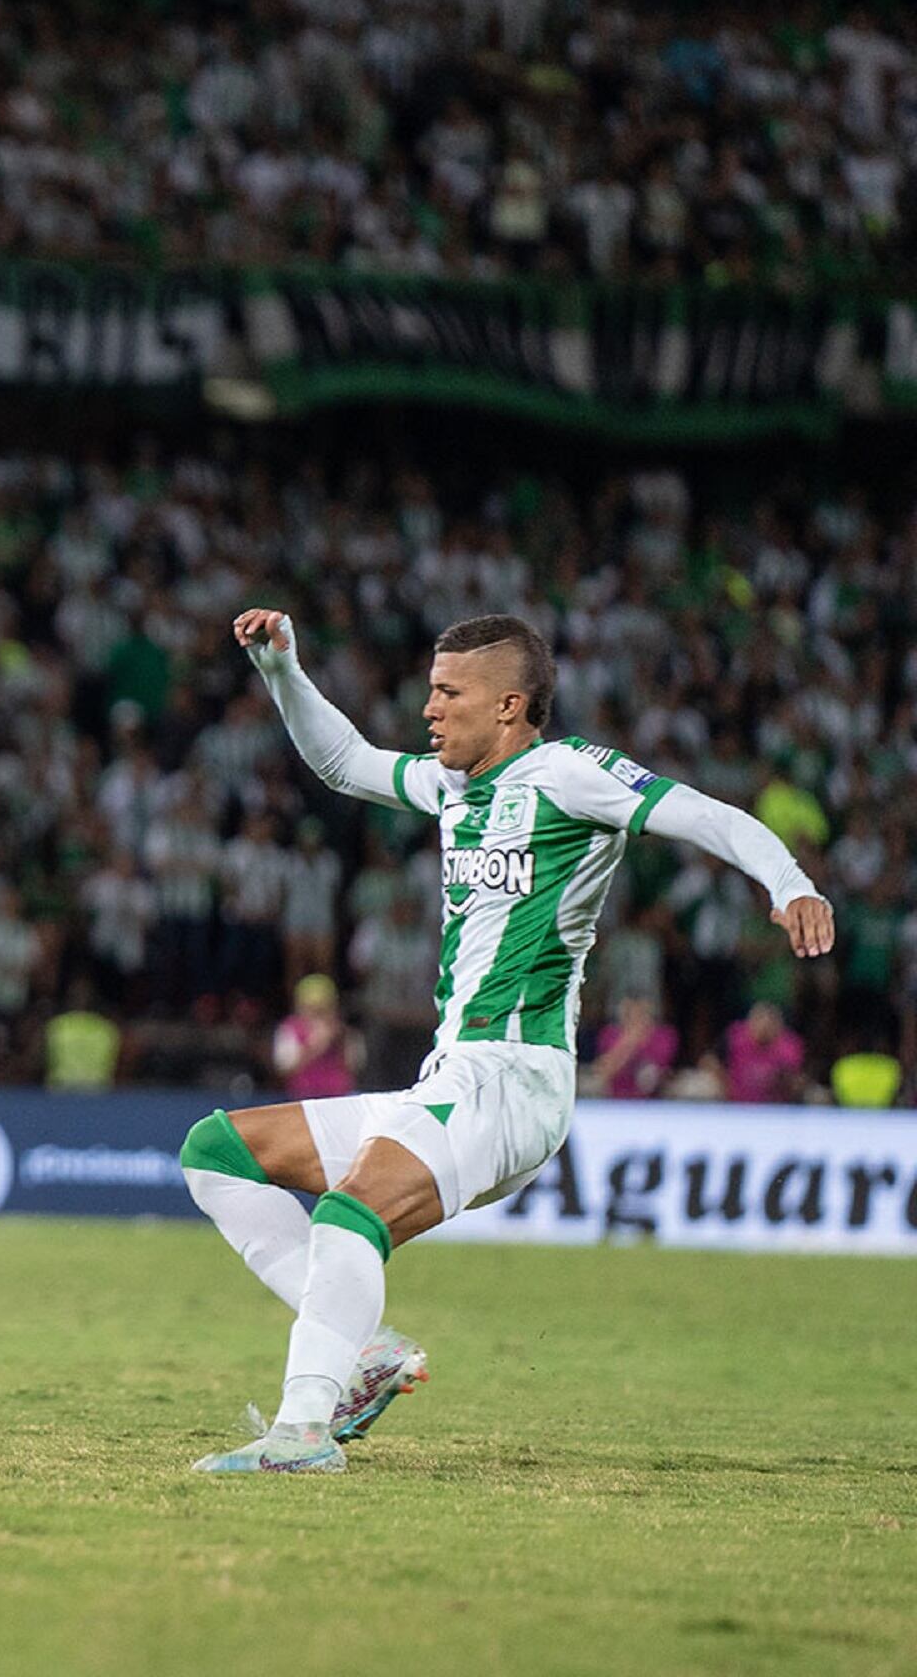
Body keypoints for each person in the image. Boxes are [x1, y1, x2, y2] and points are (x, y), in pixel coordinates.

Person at [181, 609, 834, 1473]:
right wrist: (282, 673)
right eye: (430, 691)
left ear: (510, 705)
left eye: (450, 693)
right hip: (449, 1079)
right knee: (215, 1151)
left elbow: (710, 817)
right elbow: (344, 763)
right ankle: (366, 1352)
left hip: (515, 1080)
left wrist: (789, 884)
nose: (430, 709)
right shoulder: (451, 785)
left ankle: (303, 1433)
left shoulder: (568, 774)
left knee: (351, 1213)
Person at [273, 974, 360, 1099]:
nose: (317, 1015)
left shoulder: (343, 1031)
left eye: (323, 1009)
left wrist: (341, 1041)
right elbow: (285, 1068)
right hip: (302, 1099)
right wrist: (316, 1046)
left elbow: (354, 1067)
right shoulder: (289, 1030)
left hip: (339, 1098)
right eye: (312, 1009)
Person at [586, 992, 679, 1100]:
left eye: (641, 1013)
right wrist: (629, 1041)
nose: (635, 1018)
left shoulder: (665, 1035)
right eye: (629, 1013)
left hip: (654, 1103)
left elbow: (656, 1078)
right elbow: (603, 1073)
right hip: (616, 1101)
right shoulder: (609, 1034)